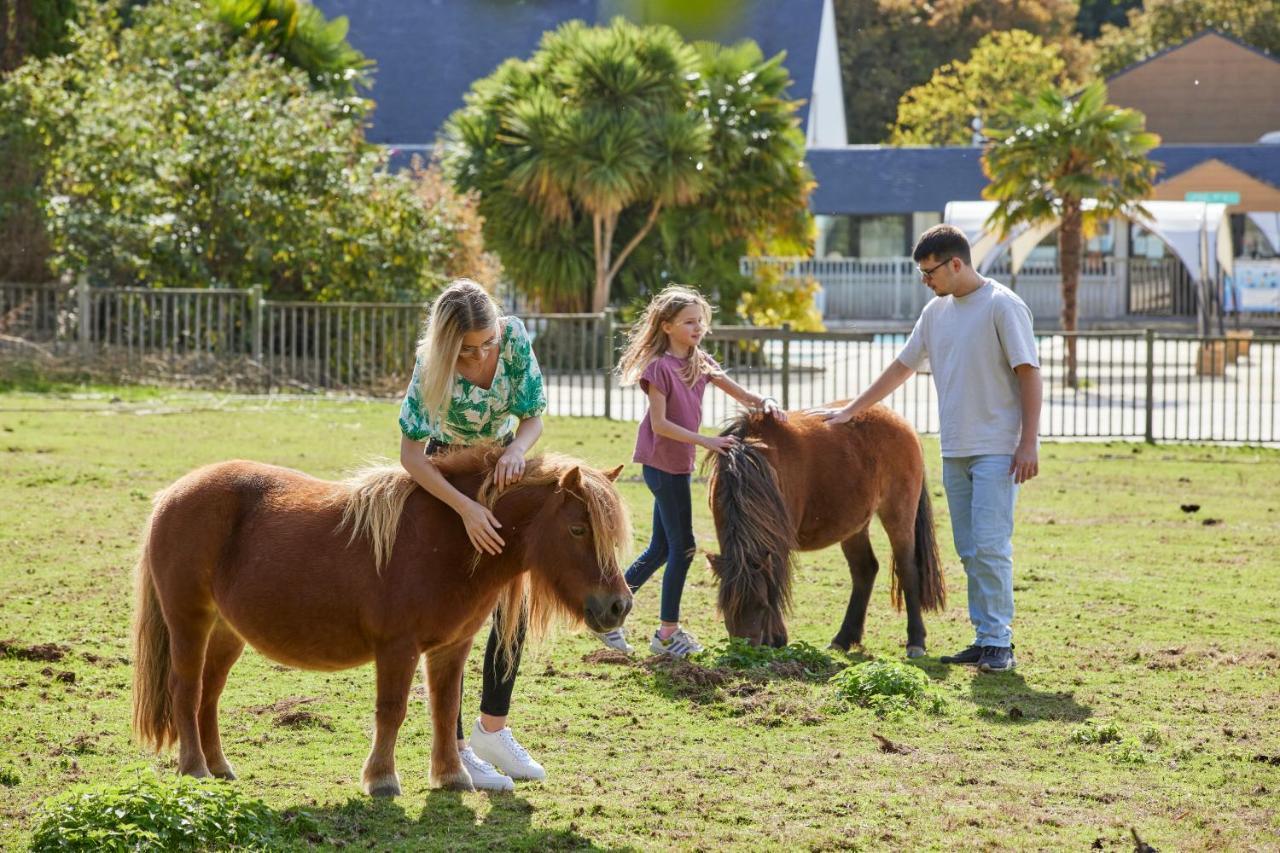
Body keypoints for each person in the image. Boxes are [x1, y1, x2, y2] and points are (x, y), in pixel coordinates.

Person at [817, 225, 1042, 673]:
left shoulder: (1002, 306)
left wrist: (1028, 442)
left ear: (956, 263)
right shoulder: (936, 313)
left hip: (998, 447)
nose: (926, 281)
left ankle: (999, 642)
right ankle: (985, 637)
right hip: (955, 447)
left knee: (991, 545)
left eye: (930, 272)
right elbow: (901, 367)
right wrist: (851, 410)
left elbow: (1028, 373)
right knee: (968, 547)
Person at [398, 279, 547, 791]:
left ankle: (493, 730)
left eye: (488, 344)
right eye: (469, 350)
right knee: (453, 621)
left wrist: (516, 451)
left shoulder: (514, 339)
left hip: (503, 474)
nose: (483, 354)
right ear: (446, 345)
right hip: (446, 487)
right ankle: (456, 749)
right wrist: (464, 509)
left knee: (513, 609)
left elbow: (532, 417)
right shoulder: (429, 367)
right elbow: (412, 456)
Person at [597, 285, 785, 658]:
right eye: (689, 322)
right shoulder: (659, 369)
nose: (697, 328)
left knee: (661, 548)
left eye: (701, 321)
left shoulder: (700, 361)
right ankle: (667, 634)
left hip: (677, 466)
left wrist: (764, 400)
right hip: (661, 466)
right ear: (666, 326)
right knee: (682, 549)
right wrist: (708, 442)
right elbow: (661, 424)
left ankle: (606, 615)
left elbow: (738, 392)